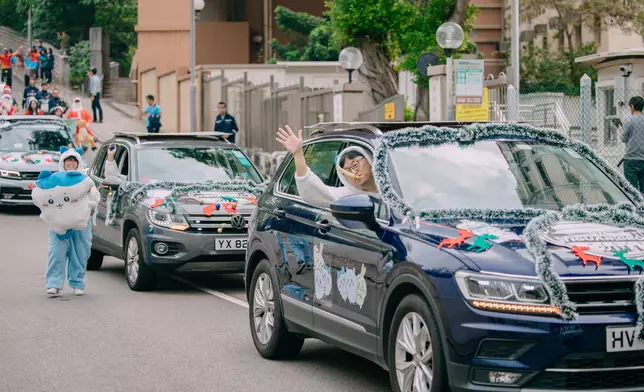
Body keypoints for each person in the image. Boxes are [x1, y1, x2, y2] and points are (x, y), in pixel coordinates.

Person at [36, 147, 99, 297]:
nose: (70, 163)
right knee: (56, 253)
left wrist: (92, 202)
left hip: (81, 222)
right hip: (58, 224)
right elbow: (43, 197)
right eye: (67, 160)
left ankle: (78, 283)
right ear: (62, 163)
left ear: (78, 163)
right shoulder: (54, 180)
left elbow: (95, 195)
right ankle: (53, 284)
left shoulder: (85, 180)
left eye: (73, 160)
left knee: (80, 253)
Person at [276, 125, 379, 207]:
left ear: (369, 160)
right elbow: (315, 190)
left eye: (355, 164)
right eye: (347, 170)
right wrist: (298, 154)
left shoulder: (393, 185)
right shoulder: (347, 196)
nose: (353, 172)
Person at [621, 96, 644, 191]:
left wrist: (620, 130)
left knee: (632, 191)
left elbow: (624, 139)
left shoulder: (628, 120)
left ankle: (634, 205)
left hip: (631, 160)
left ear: (632, 106)